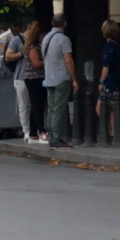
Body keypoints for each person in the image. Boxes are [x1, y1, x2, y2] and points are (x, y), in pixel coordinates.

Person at [41, 13, 79, 148]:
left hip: (49, 78)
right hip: (61, 78)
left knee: (51, 109)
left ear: (52, 23)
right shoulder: (63, 39)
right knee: (58, 109)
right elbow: (68, 60)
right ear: (65, 24)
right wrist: (74, 79)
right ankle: (56, 138)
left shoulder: (46, 38)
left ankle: (51, 135)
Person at [98, 20, 120, 147]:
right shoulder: (117, 45)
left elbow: (106, 66)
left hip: (109, 79)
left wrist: (101, 81)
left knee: (100, 107)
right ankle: (113, 134)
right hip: (116, 77)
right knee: (111, 109)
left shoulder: (109, 46)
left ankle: (109, 133)